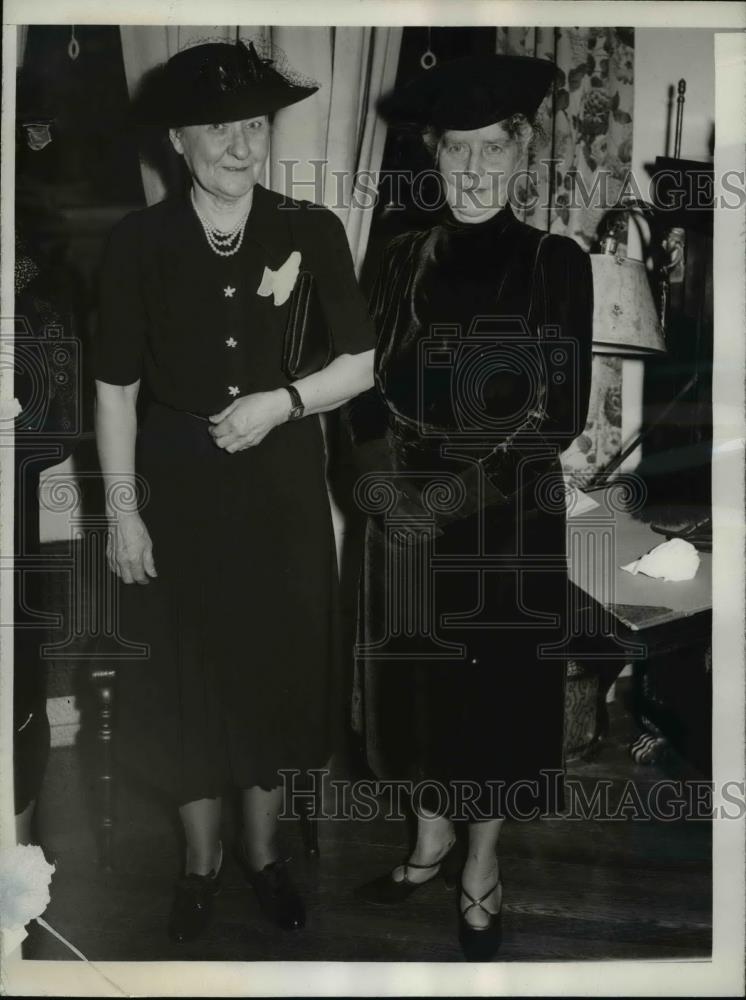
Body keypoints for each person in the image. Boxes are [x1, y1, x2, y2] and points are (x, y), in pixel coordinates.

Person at [93, 41, 375, 943]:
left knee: (271, 675)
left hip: (280, 491)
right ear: (179, 139)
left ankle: (263, 855)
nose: (240, 144)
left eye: (253, 125)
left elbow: (361, 367)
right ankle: (201, 863)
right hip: (172, 493)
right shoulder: (135, 243)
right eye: (218, 128)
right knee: (183, 681)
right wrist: (123, 512)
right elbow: (116, 389)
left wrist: (282, 403)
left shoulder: (313, 229)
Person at [349, 54, 593, 960]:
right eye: (459, 151)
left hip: (503, 517)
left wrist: (449, 495)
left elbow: (558, 412)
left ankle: (481, 865)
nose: (476, 170)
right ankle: (428, 839)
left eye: (493, 149)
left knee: (490, 696)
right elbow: (360, 382)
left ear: (521, 155)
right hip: (403, 512)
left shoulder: (554, 262)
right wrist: (378, 480)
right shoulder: (399, 251)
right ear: (435, 156)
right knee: (414, 690)